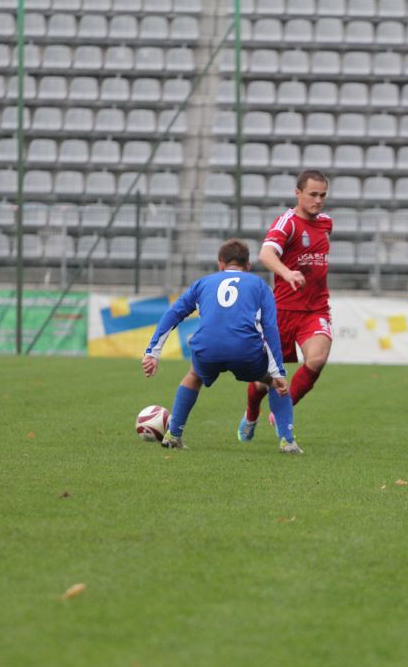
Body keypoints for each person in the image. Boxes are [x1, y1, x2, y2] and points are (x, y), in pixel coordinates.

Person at [142, 238, 302, 454]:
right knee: (274, 382)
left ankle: (173, 435)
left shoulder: (203, 283)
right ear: (247, 266)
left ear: (220, 264)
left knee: (194, 376)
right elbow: (270, 327)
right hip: (245, 351)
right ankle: (287, 441)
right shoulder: (259, 285)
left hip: (208, 350)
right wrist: (278, 371)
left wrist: (153, 352)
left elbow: (174, 313)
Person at [238, 170, 333, 442]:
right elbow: (266, 254)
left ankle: (285, 406)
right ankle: (251, 414)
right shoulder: (287, 223)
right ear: (298, 193)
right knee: (260, 381)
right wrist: (287, 273)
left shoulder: (326, 223)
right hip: (281, 312)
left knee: (316, 359)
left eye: (322, 195)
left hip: (315, 310)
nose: (318, 200)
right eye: (313, 194)